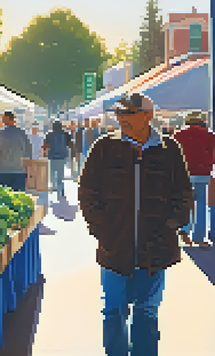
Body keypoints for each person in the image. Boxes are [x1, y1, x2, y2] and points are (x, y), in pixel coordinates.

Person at [78, 93, 192, 356]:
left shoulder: (169, 149)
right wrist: (101, 229)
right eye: (119, 114)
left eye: (128, 114)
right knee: (113, 311)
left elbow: (183, 192)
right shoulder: (104, 147)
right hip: (114, 247)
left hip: (156, 248)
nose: (121, 119)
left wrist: (172, 224)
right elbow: (87, 192)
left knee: (147, 312)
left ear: (147, 116)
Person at [173, 111, 215, 247]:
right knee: (202, 204)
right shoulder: (209, 136)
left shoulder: (179, 135)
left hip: (183, 173)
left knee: (186, 202)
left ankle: (184, 230)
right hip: (203, 172)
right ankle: (199, 237)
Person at [0, 111, 32, 191]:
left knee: (3, 199)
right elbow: (29, 153)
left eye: (3, 118)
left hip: (2, 172)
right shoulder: (22, 133)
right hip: (19, 171)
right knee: (18, 199)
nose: (2, 120)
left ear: (8, 119)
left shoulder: (0, 134)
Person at [43, 120, 72, 200]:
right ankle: (61, 190)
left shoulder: (49, 135)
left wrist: (44, 153)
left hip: (52, 157)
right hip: (62, 157)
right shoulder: (66, 134)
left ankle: (54, 186)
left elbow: (45, 146)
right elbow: (70, 145)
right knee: (60, 175)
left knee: (52, 173)